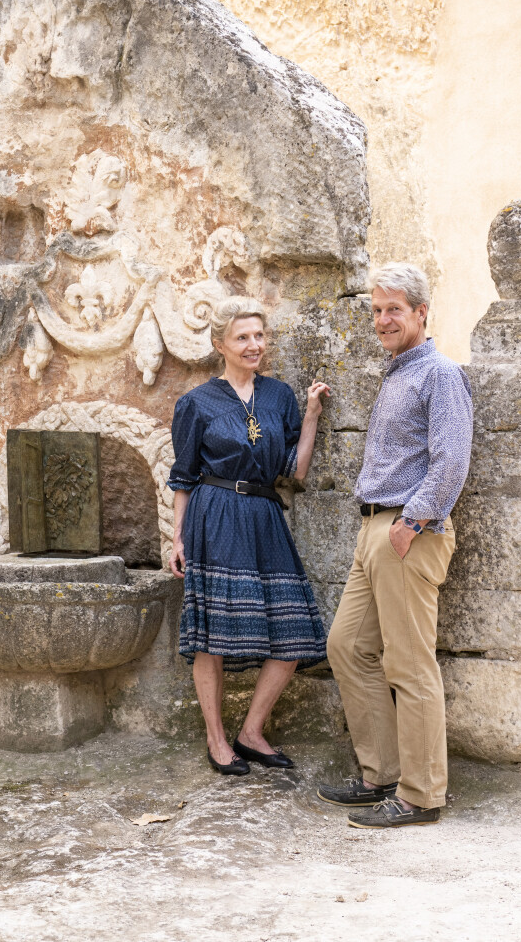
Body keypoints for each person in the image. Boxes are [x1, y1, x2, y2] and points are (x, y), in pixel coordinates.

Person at [318, 263, 473, 828]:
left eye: (394, 310)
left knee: (409, 666)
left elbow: (451, 460)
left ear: (421, 314)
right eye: (377, 310)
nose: (383, 320)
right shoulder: (395, 372)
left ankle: (422, 795)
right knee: (347, 647)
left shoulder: (440, 374)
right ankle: (380, 774)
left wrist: (410, 524)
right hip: (374, 532)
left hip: (409, 531)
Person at [168, 296, 328, 776]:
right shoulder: (196, 403)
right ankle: (217, 741)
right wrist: (176, 540)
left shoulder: (279, 395)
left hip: (263, 514)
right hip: (214, 515)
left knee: (294, 631)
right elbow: (182, 477)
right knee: (212, 639)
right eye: (242, 337)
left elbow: (294, 472)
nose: (254, 344)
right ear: (220, 344)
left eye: (259, 335)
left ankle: (251, 732)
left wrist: (313, 414)